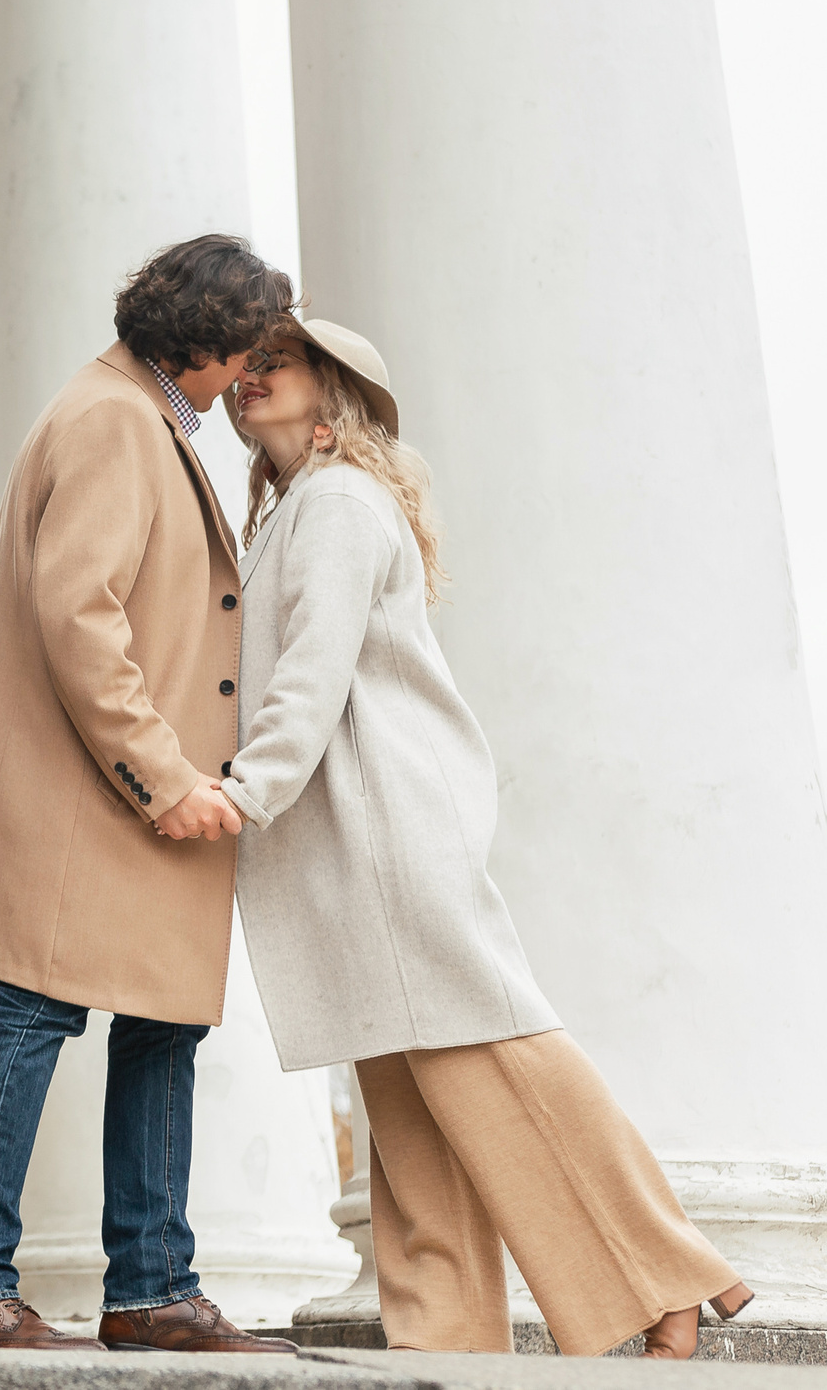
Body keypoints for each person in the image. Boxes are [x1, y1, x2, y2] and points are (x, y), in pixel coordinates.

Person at [209, 317, 752, 1359]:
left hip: (382, 823)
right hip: (352, 831)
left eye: (279, 362)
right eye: (247, 364)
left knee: (491, 1048)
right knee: (409, 1108)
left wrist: (246, 791)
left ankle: (666, 1270)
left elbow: (313, 670)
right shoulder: (293, 511)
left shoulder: (331, 503)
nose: (251, 377)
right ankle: (448, 1345)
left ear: (333, 398)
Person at [0, 234, 299, 1353]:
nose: (250, 374)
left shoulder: (134, 412)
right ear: (207, 343)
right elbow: (81, 619)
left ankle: (153, 1289)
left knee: (161, 1021)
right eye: (247, 351)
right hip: (99, 789)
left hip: (124, 793)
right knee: (36, 1006)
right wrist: (164, 777)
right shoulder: (116, 420)